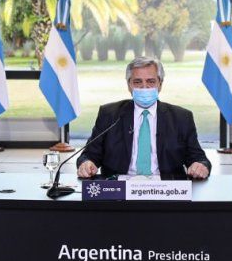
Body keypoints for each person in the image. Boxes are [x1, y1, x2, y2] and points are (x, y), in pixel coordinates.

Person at [77, 57, 211, 180]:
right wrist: (86, 163)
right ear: (129, 85)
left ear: (160, 84)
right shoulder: (109, 114)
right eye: (137, 82)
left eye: (151, 81)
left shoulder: (181, 117)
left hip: (167, 189)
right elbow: (89, 155)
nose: (144, 87)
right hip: (120, 189)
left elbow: (198, 158)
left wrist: (200, 165)